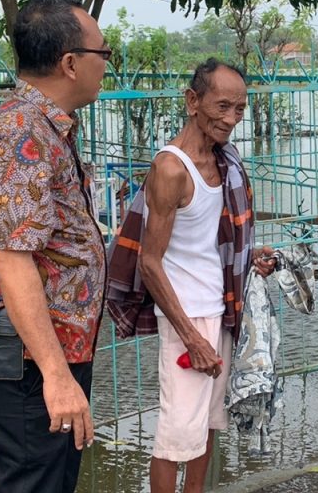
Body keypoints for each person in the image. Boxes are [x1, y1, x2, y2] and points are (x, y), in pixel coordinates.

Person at [106, 58, 276, 493]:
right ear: (192, 101)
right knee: (176, 435)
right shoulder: (171, 169)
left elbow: (209, 240)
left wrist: (250, 256)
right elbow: (149, 261)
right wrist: (192, 337)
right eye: (222, 106)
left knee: (207, 426)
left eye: (239, 109)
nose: (231, 119)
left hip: (219, 310)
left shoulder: (224, 161)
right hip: (187, 317)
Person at [0, 0, 109, 492]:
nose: (106, 67)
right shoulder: (21, 134)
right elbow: (13, 261)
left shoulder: (47, 129)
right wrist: (55, 374)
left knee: (52, 479)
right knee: (35, 481)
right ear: (70, 63)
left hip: (48, 352)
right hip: (29, 359)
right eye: (102, 55)